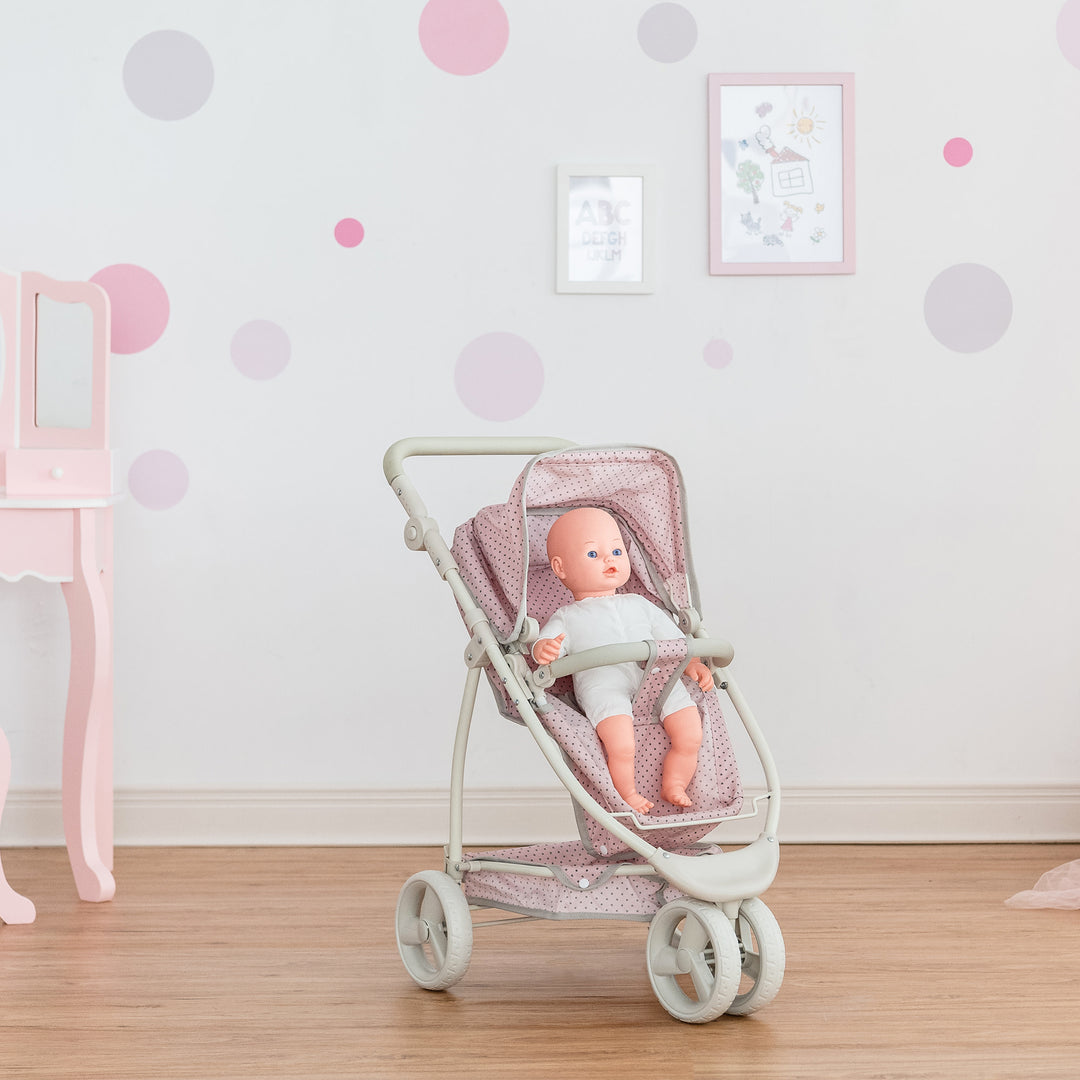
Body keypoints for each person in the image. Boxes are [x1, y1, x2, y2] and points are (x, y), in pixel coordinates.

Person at [532, 506, 712, 813]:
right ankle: (626, 793)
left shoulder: (639, 603)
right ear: (560, 568)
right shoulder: (567, 616)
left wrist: (693, 663)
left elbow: (675, 641)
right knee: (621, 745)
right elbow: (547, 646)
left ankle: (676, 782)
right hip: (603, 684)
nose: (609, 559)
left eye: (616, 550)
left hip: (657, 676)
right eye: (593, 554)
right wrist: (543, 650)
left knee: (691, 732)